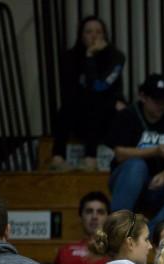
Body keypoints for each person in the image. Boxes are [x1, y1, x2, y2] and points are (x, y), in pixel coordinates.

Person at [106, 74, 164, 227]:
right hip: (127, 184)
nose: (161, 105)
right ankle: (118, 229)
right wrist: (155, 151)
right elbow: (120, 153)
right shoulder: (127, 116)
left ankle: (149, 233)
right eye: (156, 100)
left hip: (161, 184)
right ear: (143, 97)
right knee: (136, 166)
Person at [50, 16, 125, 171]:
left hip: (106, 115)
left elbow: (99, 87)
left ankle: (91, 159)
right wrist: (88, 55)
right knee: (67, 107)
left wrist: (90, 56)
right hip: (79, 115)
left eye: (98, 32)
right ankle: (58, 158)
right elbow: (69, 91)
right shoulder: (69, 57)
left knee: (98, 104)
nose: (94, 36)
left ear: (105, 35)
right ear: (81, 35)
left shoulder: (115, 56)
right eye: (88, 32)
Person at [54, 191, 110, 264]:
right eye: (89, 211)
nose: (94, 217)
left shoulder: (115, 251)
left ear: (108, 218)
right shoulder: (65, 250)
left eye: (100, 212)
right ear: (81, 217)